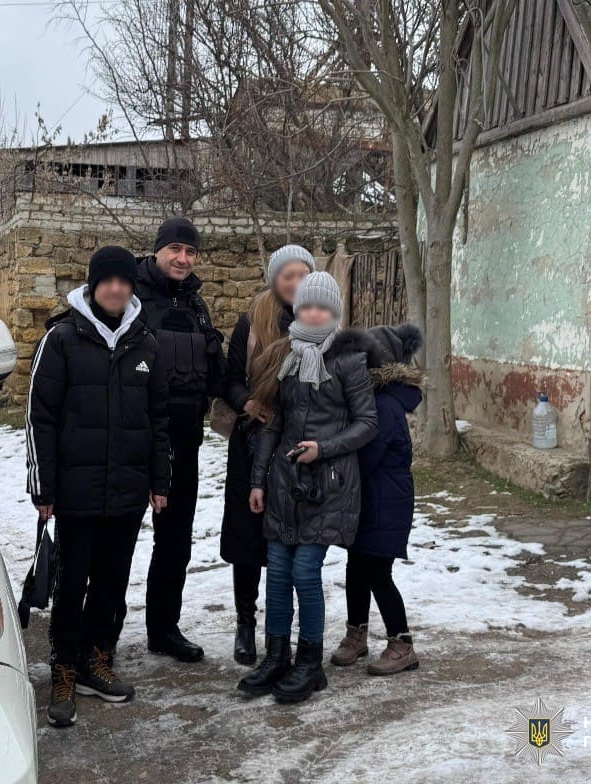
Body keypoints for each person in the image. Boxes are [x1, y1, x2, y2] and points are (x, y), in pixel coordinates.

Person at [25, 246, 170, 728]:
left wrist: (159, 481)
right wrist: (43, 486)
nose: (116, 288)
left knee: (112, 582)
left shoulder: (145, 343)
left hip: (127, 490)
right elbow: (40, 417)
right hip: (76, 492)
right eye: (107, 280)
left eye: (123, 281)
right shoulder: (62, 338)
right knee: (72, 584)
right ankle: (64, 668)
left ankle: (96, 660)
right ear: (93, 285)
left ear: (131, 286)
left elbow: (158, 421)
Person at [237, 271, 379, 703]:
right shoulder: (286, 356)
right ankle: (277, 656)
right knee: (278, 573)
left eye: (323, 307)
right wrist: (258, 480)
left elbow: (367, 423)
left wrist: (324, 448)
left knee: (304, 571)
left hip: (329, 484)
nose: (314, 313)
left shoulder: (349, 361)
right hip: (284, 483)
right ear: (297, 310)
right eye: (307, 306)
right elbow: (273, 423)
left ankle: (310, 663)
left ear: (334, 312)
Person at [136, 217, 227, 663]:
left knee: (175, 543)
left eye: (191, 251)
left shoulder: (196, 305)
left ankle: (163, 629)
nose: (183, 258)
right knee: (111, 544)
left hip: (184, 444)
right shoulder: (131, 297)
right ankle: (98, 638)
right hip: (133, 444)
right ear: (158, 250)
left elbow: (216, 373)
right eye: (175, 248)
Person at [221, 244, 315, 666]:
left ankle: (284, 630)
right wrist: (248, 402)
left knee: (291, 538)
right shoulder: (252, 320)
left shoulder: (320, 317)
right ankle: (245, 623)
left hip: (298, 446)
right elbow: (229, 378)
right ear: (274, 278)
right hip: (252, 441)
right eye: (287, 275)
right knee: (247, 537)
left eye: (302, 274)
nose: (294, 283)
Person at [330, 324, 423, 675]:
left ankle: (402, 644)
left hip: (386, 501)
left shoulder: (383, 405)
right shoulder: (375, 399)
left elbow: (366, 456)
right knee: (356, 567)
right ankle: (357, 635)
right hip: (370, 499)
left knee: (377, 573)